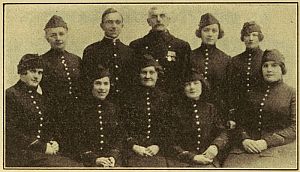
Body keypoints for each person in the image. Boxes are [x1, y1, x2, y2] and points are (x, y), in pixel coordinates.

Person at [5, 54, 82, 167]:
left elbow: (47, 127)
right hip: (20, 154)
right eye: (33, 71)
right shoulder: (10, 95)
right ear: (22, 73)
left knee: (77, 163)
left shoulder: (41, 98)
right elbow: (9, 130)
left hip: (40, 153)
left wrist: (53, 141)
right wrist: (41, 146)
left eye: (40, 73)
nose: (37, 76)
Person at [223, 49, 296, 168]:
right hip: (245, 148)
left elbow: (295, 127)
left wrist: (266, 142)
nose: (269, 69)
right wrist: (244, 139)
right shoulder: (251, 93)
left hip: (277, 148)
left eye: (274, 65)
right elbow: (238, 121)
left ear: (282, 69)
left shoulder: (292, 93)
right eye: (265, 66)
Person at [167, 69, 228, 167]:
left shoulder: (210, 108)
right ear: (182, 88)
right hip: (182, 162)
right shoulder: (175, 110)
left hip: (208, 158)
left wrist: (215, 146)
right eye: (187, 84)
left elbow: (222, 132)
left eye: (196, 83)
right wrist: (192, 157)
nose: (192, 87)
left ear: (202, 86)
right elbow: (169, 141)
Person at [40, 15, 82, 157]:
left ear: (66, 34)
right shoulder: (42, 61)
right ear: (47, 38)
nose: (58, 38)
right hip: (54, 115)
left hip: (77, 114)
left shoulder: (76, 59)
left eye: (61, 34)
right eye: (53, 35)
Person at [129, 6, 191, 96]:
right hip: (145, 98)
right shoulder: (137, 45)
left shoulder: (181, 46)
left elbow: (185, 77)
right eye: (154, 17)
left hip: (172, 98)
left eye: (162, 16)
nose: (158, 20)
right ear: (148, 21)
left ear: (168, 20)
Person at [123, 54, 170, 167]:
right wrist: (134, 146)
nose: (147, 76)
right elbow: (122, 126)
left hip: (158, 151)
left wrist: (158, 146)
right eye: (144, 72)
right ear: (138, 75)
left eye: (152, 72)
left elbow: (170, 126)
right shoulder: (129, 97)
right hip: (133, 150)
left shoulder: (165, 98)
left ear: (158, 74)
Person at [81, 8, 134, 105]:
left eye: (117, 22)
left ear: (122, 26)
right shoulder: (91, 51)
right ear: (102, 26)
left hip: (126, 104)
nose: (114, 26)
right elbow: (86, 83)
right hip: (101, 105)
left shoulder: (129, 52)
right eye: (109, 22)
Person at [76, 65, 123, 167]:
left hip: (111, 160)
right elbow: (76, 140)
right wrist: (94, 159)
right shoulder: (80, 109)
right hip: (86, 161)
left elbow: (118, 137)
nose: (102, 88)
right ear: (90, 85)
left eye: (106, 84)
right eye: (98, 83)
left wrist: (113, 156)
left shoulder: (113, 108)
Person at [190, 13, 231, 122]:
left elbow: (228, 91)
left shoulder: (226, 59)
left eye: (214, 31)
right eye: (206, 30)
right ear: (200, 33)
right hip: (194, 111)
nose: (210, 34)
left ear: (219, 34)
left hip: (219, 111)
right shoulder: (190, 56)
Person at [226, 21, 265, 128]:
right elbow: (231, 88)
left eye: (254, 35)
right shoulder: (235, 60)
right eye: (247, 35)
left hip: (261, 109)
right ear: (243, 38)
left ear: (260, 37)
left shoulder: (266, 58)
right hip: (240, 111)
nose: (250, 38)